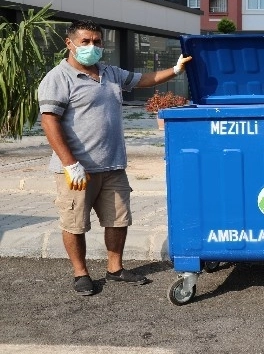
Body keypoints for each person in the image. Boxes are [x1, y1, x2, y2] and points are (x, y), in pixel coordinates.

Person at [38, 20, 191, 296]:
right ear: (69, 43)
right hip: (76, 169)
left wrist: (175, 69)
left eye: (97, 41)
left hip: (113, 165)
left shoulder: (109, 72)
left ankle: (115, 268)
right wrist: (69, 163)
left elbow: (142, 79)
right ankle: (80, 273)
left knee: (118, 220)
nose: (92, 47)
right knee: (75, 223)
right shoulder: (58, 78)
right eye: (85, 42)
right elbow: (49, 122)